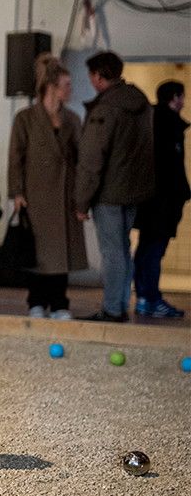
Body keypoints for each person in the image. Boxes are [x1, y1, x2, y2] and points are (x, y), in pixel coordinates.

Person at [75, 51, 155, 323]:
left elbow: (92, 158)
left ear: (98, 76)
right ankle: (120, 305)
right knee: (123, 250)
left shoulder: (106, 108)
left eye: (91, 76)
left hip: (108, 193)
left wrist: (81, 201)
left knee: (112, 253)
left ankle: (111, 310)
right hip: (132, 192)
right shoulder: (139, 102)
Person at [7, 53, 86, 320]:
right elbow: (15, 157)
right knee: (36, 253)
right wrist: (16, 192)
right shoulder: (26, 118)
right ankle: (36, 302)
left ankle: (60, 303)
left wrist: (82, 196)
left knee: (60, 254)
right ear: (51, 87)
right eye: (67, 85)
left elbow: (82, 160)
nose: (71, 90)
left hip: (65, 196)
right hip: (35, 196)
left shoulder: (73, 119)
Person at [134, 80, 190, 318]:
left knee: (147, 250)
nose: (184, 101)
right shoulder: (168, 126)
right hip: (160, 204)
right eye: (183, 96)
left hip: (153, 202)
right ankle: (151, 299)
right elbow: (171, 169)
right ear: (175, 97)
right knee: (153, 251)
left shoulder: (155, 122)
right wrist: (181, 193)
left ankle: (145, 298)